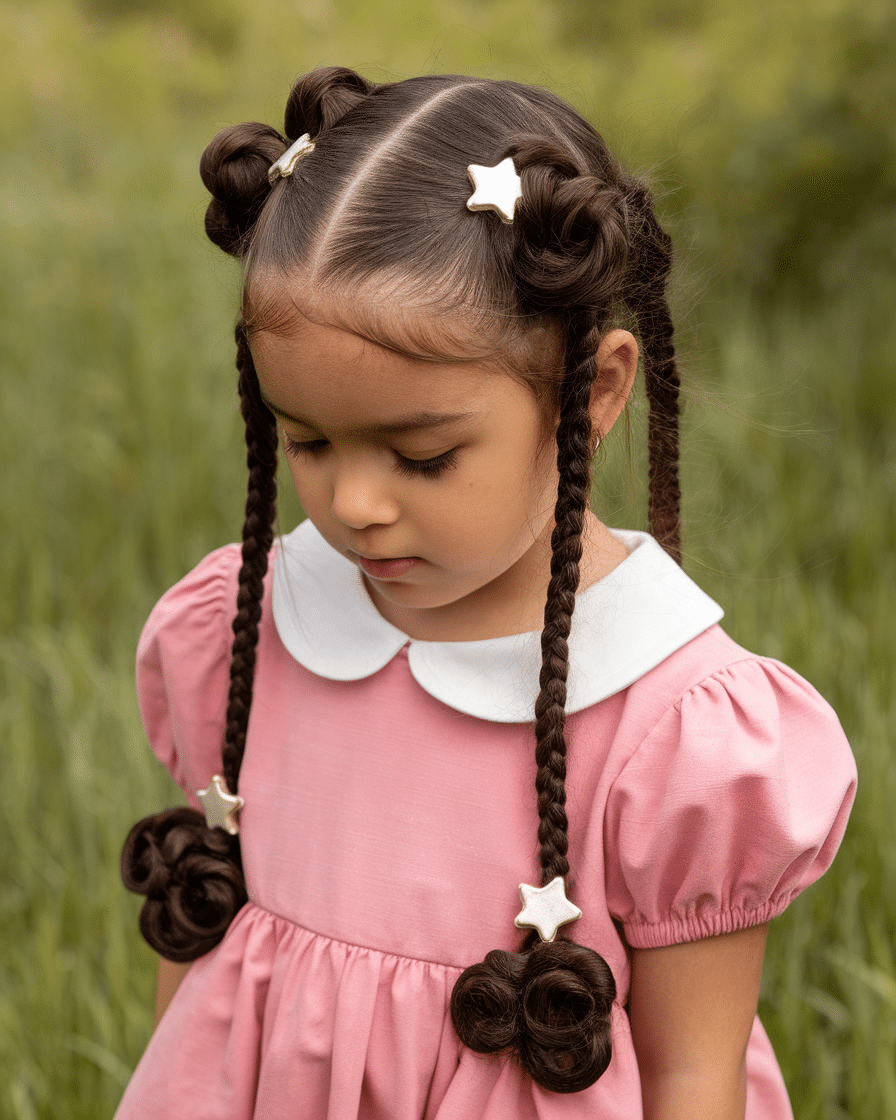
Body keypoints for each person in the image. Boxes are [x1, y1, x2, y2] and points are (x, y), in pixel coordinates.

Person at [115, 66, 856, 1119]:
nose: (355, 503)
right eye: (308, 442)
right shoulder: (244, 631)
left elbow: (696, 1072)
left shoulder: (675, 726)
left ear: (591, 390)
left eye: (421, 456)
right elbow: (199, 956)